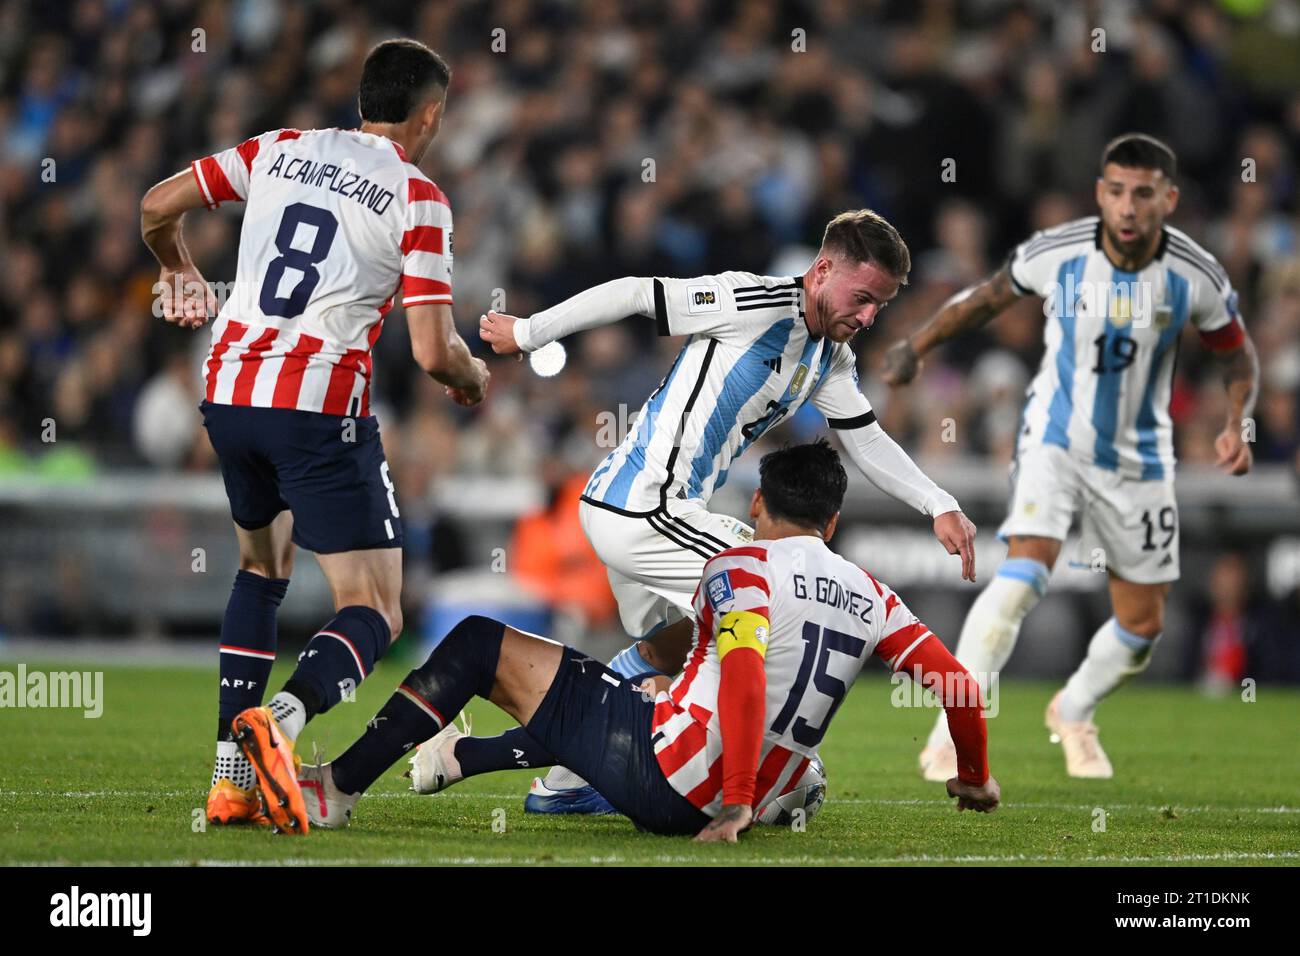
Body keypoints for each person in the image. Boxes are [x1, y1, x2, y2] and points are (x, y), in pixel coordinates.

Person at [477, 208, 978, 813]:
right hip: (641, 507)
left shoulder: (829, 357)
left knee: (671, 647)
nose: (869, 316)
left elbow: (866, 438)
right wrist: (529, 333)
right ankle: (743, 785)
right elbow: (636, 293)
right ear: (822, 271)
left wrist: (938, 503)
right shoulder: (756, 301)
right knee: (783, 594)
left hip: (663, 513)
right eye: (863, 297)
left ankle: (562, 783)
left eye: (881, 306)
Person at [260, 440, 999, 838]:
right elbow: (962, 687)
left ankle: (337, 790)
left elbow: (743, 677)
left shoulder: (741, 566)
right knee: (631, 689)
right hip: (728, 774)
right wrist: (973, 775)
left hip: (679, 785)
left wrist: (735, 805)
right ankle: (458, 758)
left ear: (757, 504)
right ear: (833, 524)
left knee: (481, 645)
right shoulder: (873, 594)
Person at [139, 38, 488, 832]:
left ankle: (230, 779)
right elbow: (434, 351)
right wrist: (469, 378)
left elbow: (158, 205)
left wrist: (177, 270)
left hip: (229, 392)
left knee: (260, 570)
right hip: (316, 404)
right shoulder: (420, 195)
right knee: (375, 606)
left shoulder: (282, 148)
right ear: (429, 114)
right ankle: (284, 722)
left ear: (362, 98)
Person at [882, 133, 1259, 780]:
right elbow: (985, 298)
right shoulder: (1060, 252)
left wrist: (1235, 421)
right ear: (1100, 194)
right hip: (1055, 440)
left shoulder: (1194, 273)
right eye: (1116, 191)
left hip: (1140, 458)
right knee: (1026, 572)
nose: (1129, 206)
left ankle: (1074, 707)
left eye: (1143, 193)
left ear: (1167, 199)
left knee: (1141, 628)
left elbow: (1236, 353)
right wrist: (917, 346)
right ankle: (952, 729)